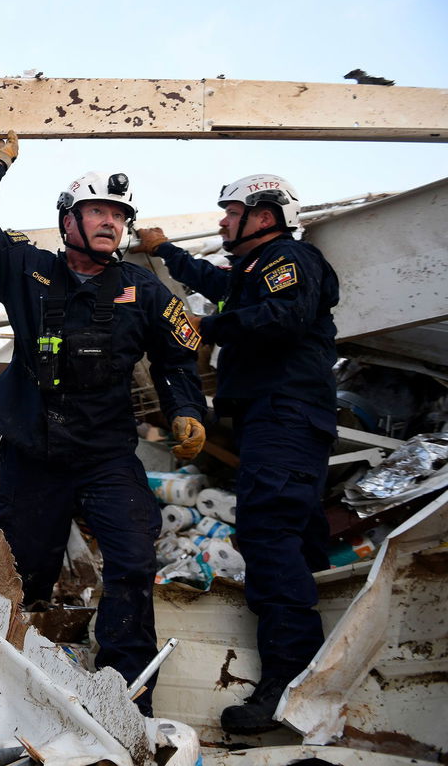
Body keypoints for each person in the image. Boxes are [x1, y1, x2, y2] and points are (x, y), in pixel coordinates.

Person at [0, 131, 207, 716]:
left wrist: (187, 408)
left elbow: (177, 358)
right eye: (97, 212)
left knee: (135, 560)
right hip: (34, 453)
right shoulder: (28, 272)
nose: (111, 223)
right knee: (24, 574)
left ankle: (126, 697)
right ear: (68, 221)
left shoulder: (144, 288)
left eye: (118, 215)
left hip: (106, 455)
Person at [136, 174, 339, 734]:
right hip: (277, 417)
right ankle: (323, 670)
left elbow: (283, 316)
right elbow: (219, 283)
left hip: (286, 413)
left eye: (231, 212)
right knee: (295, 535)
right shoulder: (255, 271)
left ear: (266, 215)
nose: (222, 221)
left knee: (268, 533)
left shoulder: (290, 258)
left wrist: (207, 326)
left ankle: (288, 682)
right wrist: (164, 251)